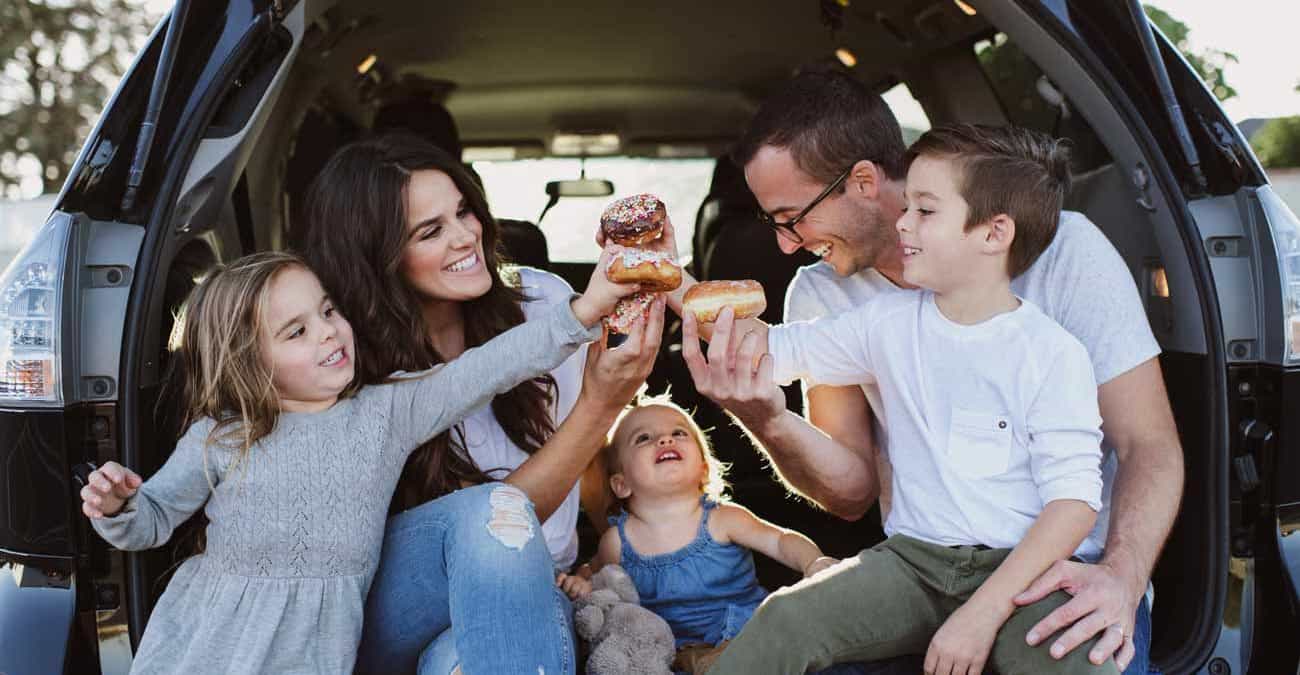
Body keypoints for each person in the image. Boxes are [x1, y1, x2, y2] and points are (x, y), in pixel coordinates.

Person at [677, 68, 1182, 674]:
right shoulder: (873, 316)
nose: (785, 246)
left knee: (1065, 658)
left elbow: (1143, 448)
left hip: (1056, 565)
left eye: (793, 217)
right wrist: (685, 303)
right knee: (784, 621)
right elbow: (842, 475)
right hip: (916, 562)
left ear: (863, 181)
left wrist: (1121, 578)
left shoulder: (1058, 312)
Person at [79, 250, 633, 674]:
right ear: (249, 364)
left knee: (497, 508)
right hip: (213, 643)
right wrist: (119, 503)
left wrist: (583, 310)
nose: (328, 333)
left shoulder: (385, 411)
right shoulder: (221, 437)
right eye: (297, 331)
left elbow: (487, 368)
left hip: (318, 645)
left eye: (327, 310)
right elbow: (150, 521)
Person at [298, 133, 664, 674]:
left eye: (464, 211)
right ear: (378, 259)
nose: (465, 237)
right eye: (429, 231)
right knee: (489, 518)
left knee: (459, 662)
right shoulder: (343, 359)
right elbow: (493, 531)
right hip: (397, 601)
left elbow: (585, 472)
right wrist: (599, 407)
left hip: (530, 594)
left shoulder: (544, 306)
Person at [586, 393, 837, 673]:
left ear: (704, 469)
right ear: (621, 484)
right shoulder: (617, 542)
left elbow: (780, 541)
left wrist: (812, 562)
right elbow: (596, 575)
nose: (665, 439)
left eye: (678, 433)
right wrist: (577, 582)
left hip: (746, 638)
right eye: (643, 438)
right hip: (674, 656)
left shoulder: (722, 519)